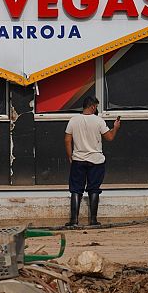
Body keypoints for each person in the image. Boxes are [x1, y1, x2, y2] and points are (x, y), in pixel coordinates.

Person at [64, 96, 120, 227]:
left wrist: (70, 157)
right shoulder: (99, 121)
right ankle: (93, 220)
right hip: (96, 160)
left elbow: (67, 141)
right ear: (93, 106)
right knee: (94, 189)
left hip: (78, 160)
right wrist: (116, 127)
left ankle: (74, 221)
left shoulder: (73, 120)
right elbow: (110, 137)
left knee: (76, 190)